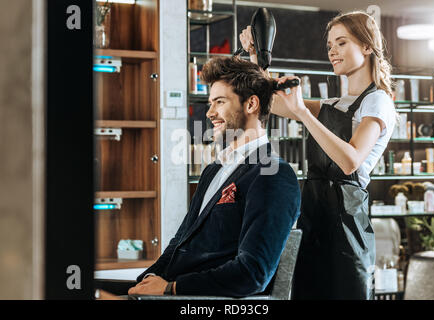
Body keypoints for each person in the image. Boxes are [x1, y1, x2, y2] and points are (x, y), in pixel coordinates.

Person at [240, 11, 397, 299]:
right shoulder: (333, 103)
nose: (332, 52)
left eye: (341, 42)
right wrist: (255, 57)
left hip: (346, 230)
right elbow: (271, 104)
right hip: (313, 219)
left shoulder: (379, 101)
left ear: (366, 46)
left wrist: (302, 113)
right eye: (329, 46)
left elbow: (350, 160)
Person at [128, 56, 301, 297]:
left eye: (219, 102)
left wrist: (171, 288)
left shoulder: (273, 174)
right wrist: (144, 281)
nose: (210, 113)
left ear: (251, 104)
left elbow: (252, 273)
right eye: (210, 103)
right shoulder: (213, 170)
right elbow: (180, 242)